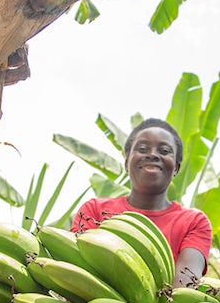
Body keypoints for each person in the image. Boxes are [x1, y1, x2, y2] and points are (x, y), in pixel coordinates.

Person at [71, 118, 211, 288]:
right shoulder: (94, 210)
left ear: (176, 168)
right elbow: (78, 269)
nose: (152, 154)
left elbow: (184, 287)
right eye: (142, 148)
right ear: (126, 162)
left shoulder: (193, 221)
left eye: (165, 150)